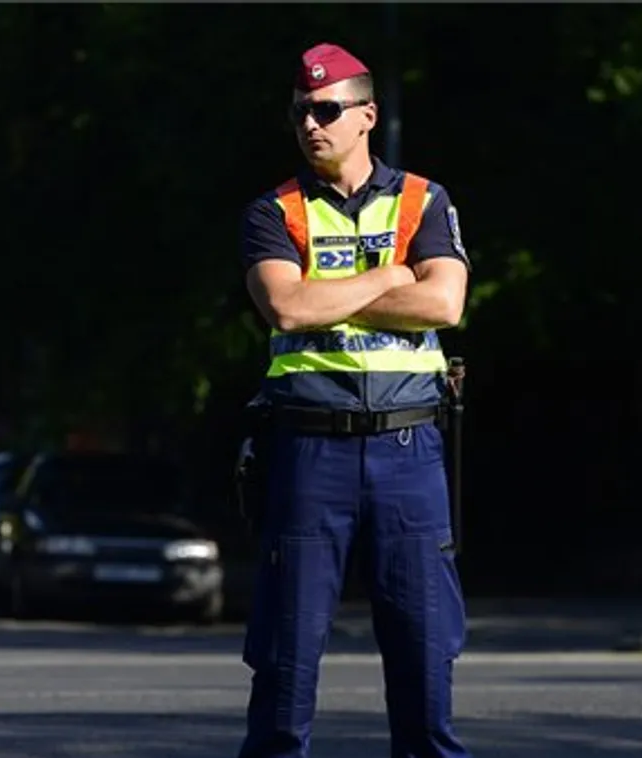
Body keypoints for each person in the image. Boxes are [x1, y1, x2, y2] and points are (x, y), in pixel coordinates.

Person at [236, 43, 472, 758]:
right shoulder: (273, 211)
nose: (312, 124)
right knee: (284, 660)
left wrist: (330, 297)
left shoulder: (422, 200)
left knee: (424, 655)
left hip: (408, 448)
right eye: (301, 111)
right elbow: (285, 308)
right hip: (308, 451)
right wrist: (387, 276)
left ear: (366, 115)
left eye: (327, 109)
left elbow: (444, 302)